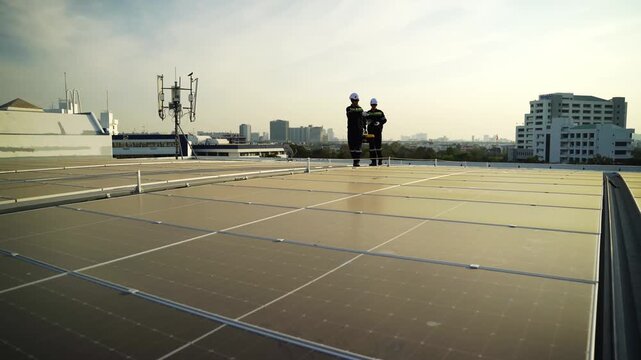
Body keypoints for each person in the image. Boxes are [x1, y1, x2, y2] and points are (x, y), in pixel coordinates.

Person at [346, 92, 365, 167]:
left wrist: (364, 127)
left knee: (358, 146)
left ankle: (357, 161)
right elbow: (350, 114)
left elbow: (363, 119)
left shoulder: (361, 109)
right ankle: (354, 160)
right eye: (355, 100)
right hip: (351, 130)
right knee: (351, 145)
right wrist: (361, 113)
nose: (356, 102)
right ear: (351, 101)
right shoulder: (349, 108)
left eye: (357, 100)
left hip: (359, 130)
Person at [366, 98, 387, 166]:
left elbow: (385, 120)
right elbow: (364, 120)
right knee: (372, 148)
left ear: (376, 105)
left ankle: (380, 161)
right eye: (372, 105)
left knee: (378, 147)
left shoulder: (380, 112)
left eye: (374, 105)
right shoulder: (368, 113)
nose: (373, 106)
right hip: (371, 133)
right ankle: (373, 161)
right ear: (371, 105)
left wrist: (379, 122)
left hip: (378, 132)